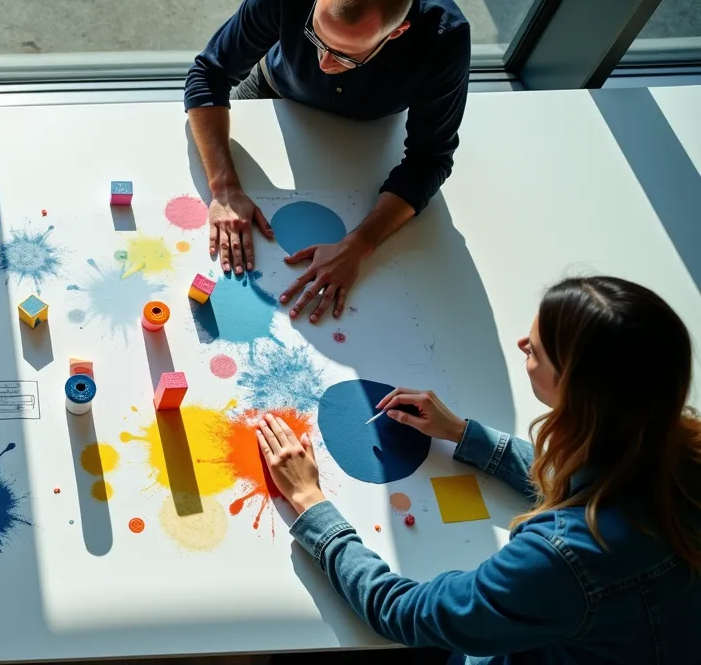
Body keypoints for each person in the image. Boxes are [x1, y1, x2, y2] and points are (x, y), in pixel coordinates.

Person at [256, 276, 701, 663]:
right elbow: (585, 482)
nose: (521, 344)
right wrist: (462, 433)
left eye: (536, 350)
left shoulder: (564, 558)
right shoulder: (671, 447)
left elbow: (403, 612)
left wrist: (310, 504)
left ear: (575, 391)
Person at [186, 0, 470, 323]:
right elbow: (208, 74)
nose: (323, 63)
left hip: (367, 133)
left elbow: (429, 158)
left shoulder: (444, 37)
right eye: (315, 37)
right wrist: (223, 187)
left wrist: (359, 244)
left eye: (346, 57)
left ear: (396, 32)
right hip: (274, 91)